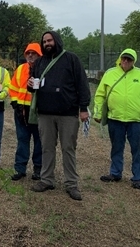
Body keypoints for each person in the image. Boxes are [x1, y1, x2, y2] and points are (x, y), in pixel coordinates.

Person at [28, 31, 90, 201]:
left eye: (50, 40)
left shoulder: (71, 59)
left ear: (57, 41)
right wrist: (29, 85)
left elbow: (82, 84)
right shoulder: (39, 62)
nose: (47, 43)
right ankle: (47, 180)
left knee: (68, 149)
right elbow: (33, 85)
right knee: (47, 148)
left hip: (67, 113)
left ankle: (71, 184)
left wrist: (83, 108)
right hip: (45, 113)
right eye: (44, 41)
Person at [94, 49, 140, 189]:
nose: (126, 61)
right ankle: (115, 173)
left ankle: (138, 178)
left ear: (134, 61)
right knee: (116, 147)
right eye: (124, 59)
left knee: (138, 150)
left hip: (136, 120)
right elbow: (100, 95)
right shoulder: (110, 74)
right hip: (115, 118)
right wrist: (97, 113)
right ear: (120, 59)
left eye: (129, 59)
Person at [9, 43, 42, 181]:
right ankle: (20, 169)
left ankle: (38, 169)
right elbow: (13, 87)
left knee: (39, 142)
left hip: (38, 112)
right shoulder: (21, 68)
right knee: (22, 140)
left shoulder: (44, 69)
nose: (30, 55)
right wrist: (15, 104)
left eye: (33, 53)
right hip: (21, 111)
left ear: (40, 55)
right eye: (28, 53)